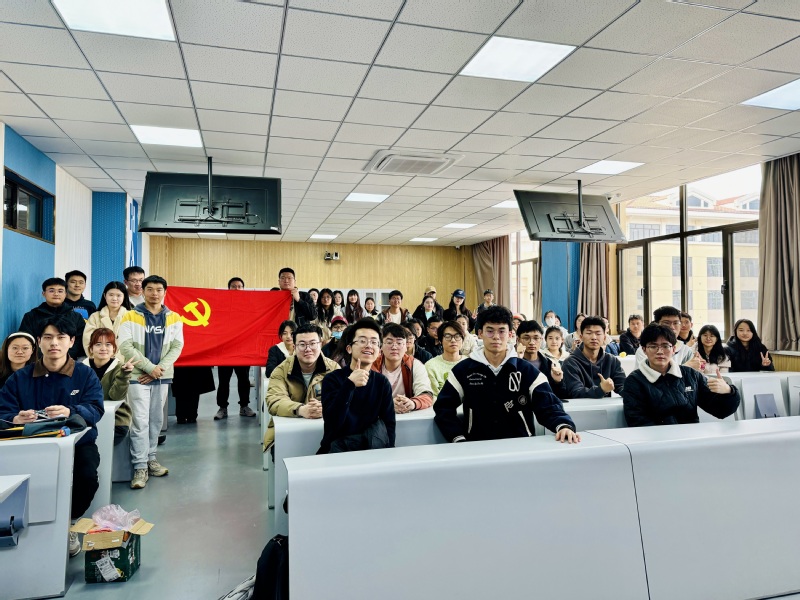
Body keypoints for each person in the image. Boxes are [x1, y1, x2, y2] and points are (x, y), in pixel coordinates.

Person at [0, 315, 104, 557]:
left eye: (60, 337)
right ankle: (28, 529)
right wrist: (15, 418)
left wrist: (71, 411)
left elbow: (95, 409)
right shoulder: (20, 378)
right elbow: (3, 412)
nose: (54, 343)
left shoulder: (85, 375)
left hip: (77, 444)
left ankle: (70, 522)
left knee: (87, 477)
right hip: (29, 445)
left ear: (72, 342)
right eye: (47, 337)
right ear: (39, 342)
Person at [434, 306, 579, 444]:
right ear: (480, 333)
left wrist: (563, 425)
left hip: (521, 446)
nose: (496, 337)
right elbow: (443, 408)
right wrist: (457, 437)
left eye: (502, 331)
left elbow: (548, 405)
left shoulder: (527, 371)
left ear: (510, 334)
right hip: (477, 446)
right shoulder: (463, 370)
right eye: (490, 331)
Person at [118, 275, 184, 490]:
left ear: (165, 292)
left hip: (161, 376)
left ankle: (151, 458)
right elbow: (125, 346)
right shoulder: (129, 316)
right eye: (150, 289)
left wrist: (158, 370)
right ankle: (139, 467)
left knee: (156, 420)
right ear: (143, 291)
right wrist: (149, 368)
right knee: (140, 421)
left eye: (159, 290)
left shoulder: (174, 318)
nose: (154, 293)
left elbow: (177, 346)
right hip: (137, 376)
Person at [622, 324, 740, 427]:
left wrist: (728, 391)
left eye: (665, 346)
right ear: (644, 350)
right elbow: (638, 421)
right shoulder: (634, 381)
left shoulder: (690, 375)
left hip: (691, 438)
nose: (660, 351)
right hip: (657, 441)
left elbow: (720, 411)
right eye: (653, 346)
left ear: (673, 349)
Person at [318, 318, 395, 454]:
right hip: (337, 452)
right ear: (349, 348)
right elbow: (332, 423)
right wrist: (349, 385)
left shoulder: (382, 382)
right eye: (362, 341)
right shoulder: (332, 379)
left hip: (371, 452)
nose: (369, 346)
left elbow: (389, 425)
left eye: (374, 342)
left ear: (379, 351)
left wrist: (388, 456)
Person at [263, 323, 340, 450]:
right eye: (302, 344)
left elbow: (342, 398)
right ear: (294, 347)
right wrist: (301, 409)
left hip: (327, 430)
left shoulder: (333, 369)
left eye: (313, 343)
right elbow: (274, 400)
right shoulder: (281, 371)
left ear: (320, 344)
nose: (308, 349)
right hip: (288, 431)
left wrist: (325, 407)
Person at [215, 277, 256, 421]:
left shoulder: (249, 306)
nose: (237, 289)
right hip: (225, 349)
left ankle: (244, 406)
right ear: (228, 289)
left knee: (244, 380)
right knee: (223, 381)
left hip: (242, 349)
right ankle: (222, 408)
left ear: (243, 289)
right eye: (233, 286)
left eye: (239, 286)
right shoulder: (222, 305)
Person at [83, 328, 135, 441]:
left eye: (108, 344)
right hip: (87, 419)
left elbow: (116, 397)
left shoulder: (120, 367)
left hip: (116, 420)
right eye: (98, 344)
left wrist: (124, 374)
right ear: (91, 348)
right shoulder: (82, 368)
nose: (103, 348)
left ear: (114, 349)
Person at [371, 324, 434, 413]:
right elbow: (363, 398)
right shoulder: (372, 365)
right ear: (381, 346)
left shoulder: (415, 365)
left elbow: (427, 395)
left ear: (406, 347)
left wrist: (412, 403)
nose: (394, 347)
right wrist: (388, 404)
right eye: (389, 342)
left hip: (407, 416)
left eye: (399, 343)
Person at [19, 277, 87, 359]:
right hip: (38, 360)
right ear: (43, 293)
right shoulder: (31, 316)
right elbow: (27, 340)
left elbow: (80, 341)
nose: (56, 294)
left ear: (65, 294)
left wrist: (63, 356)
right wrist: (44, 357)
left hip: (70, 360)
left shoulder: (76, 317)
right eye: (51, 291)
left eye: (60, 291)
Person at [561, 316, 626, 399]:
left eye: (598, 334)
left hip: (605, 406)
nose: (594, 337)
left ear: (604, 337)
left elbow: (623, 386)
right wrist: (601, 390)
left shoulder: (611, 360)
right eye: (589, 333)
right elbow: (576, 392)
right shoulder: (570, 363)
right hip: (581, 407)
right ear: (581, 337)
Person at [634, 306, 703, 370]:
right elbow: (649, 375)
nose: (672, 327)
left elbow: (692, 376)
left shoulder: (685, 350)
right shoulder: (646, 350)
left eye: (676, 323)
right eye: (667, 323)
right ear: (657, 324)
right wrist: (686, 367)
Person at [517, 320, 566, 398]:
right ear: (518, 340)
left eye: (536, 338)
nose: (532, 342)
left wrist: (557, 382)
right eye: (526, 338)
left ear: (541, 339)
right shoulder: (513, 364)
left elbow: (560, 397)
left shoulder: (550, 365)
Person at [82, 281, 131, 357]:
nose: (114, 298)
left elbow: (134, 343)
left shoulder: (131, 317)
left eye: (118, 295)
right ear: (105, 296)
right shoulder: (95, 316)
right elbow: (87, 341)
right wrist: (97, 360)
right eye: (111, 295)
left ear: (124, 296)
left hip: (125, 361)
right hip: (99, 360)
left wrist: (119, 361)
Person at [424, 320, 465, 397]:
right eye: (448, 336)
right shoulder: (430, 366)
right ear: (440, 341)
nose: (453, 340)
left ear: (462, 340)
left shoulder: (472, 364)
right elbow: (433, 396)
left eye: (457, 336)